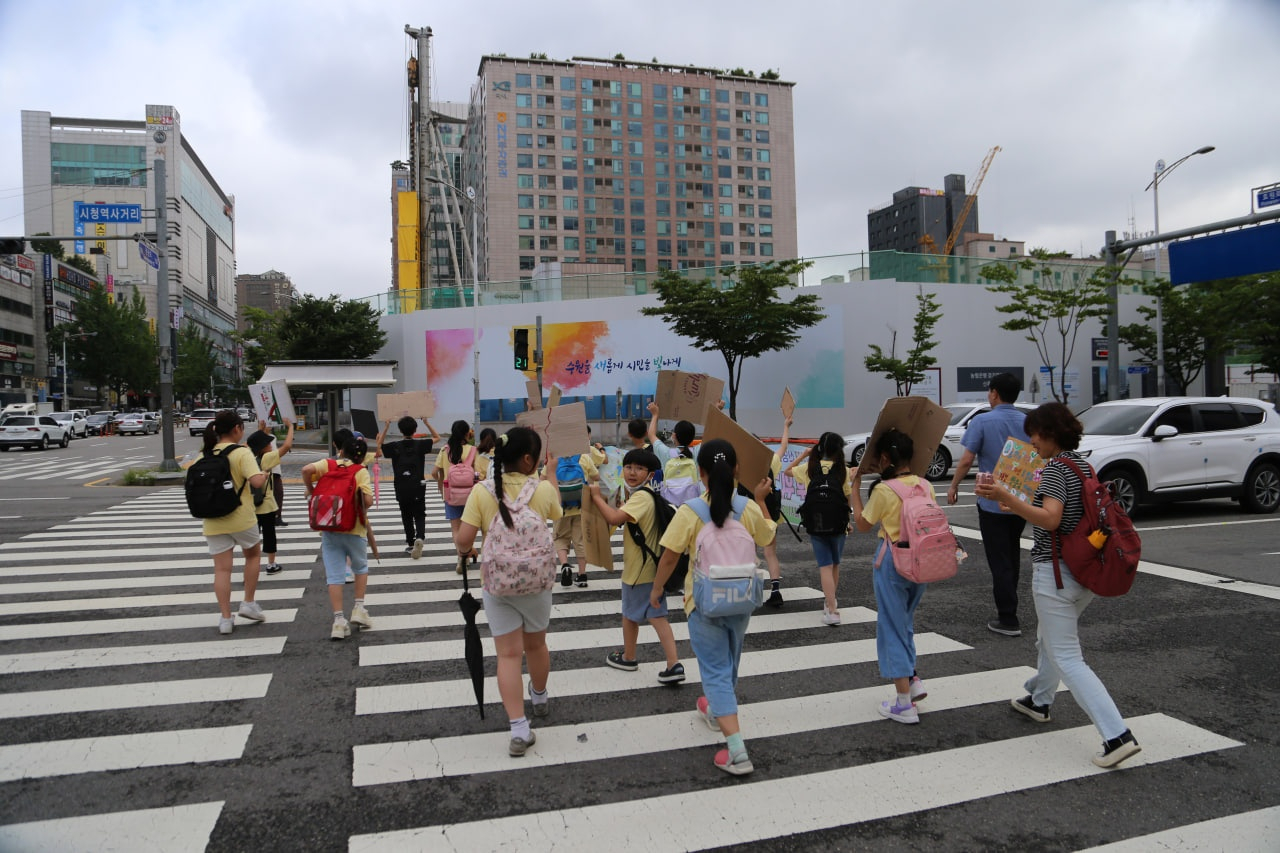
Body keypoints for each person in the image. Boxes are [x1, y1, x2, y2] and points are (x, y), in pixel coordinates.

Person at [975, 402, 1141, 768]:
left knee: (1067, 655)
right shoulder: (1083, 466)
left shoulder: (1052, 470)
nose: (1031, 441)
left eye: (1034, 434)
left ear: (1049, 434)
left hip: (1056, 573)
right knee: (1051, 640)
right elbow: (1064, 514)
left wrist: (1005, 497)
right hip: (1085, 571)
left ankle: (1117, 735)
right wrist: (1014, 503)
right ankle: (1039, 701)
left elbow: (1051, 520)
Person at [650, 438, 775, 776]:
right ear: (736, 470)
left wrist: (658, 589)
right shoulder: (747, 507)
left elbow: (671, 556)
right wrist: (761, 502)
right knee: (730, 660)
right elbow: (766, 539)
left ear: (700, 472)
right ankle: (715, 707)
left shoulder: (690, 511)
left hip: (703, 602)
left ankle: (736, 751)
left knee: (715, 670)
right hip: (742, 599)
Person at [455, 427, 563, 757]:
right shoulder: (542, 489)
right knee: (537, 644)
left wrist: (474, 548)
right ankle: (540, 696)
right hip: (536, 584)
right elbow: (557, 516)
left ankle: (519, 729)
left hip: (499, 585)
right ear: (529, 459)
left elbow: (463, 541)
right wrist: (552, 474)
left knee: (508, 655)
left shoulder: (482, 492)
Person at [851, 428, 932, 724]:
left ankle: (903, 704)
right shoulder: (925, 485)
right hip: (922, 562)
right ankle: (912, 680)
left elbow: (862, 523)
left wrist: (855, 489)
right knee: (904, 623)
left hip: (893, 562)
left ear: (885, 458)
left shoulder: (886, 491)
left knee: (891, 628)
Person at [585, 448, 685, 684]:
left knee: (630, 616)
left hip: (638, 571)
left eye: (639, 469)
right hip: (654, 570)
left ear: (650, 475)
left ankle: (629, 657)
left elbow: (614, 519)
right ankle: (674, 663)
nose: (632, 472)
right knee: (658, 617)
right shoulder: (645, 495)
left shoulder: (641, 497)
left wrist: (597, 497)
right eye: (629, 467)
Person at [947, 373, 1030, 636]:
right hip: (1019, 502)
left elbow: (966, 459)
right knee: (1012, 552)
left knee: (999, 558)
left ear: (994, 393)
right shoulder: (1027, 421)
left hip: (991, 501)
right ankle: (1010, 605)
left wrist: (954, 485)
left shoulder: (982, 421)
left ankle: (1008, 618)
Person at [199, 410, 270, 636]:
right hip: (241, 518)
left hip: (213, 520)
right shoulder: (242, 453)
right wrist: (265, 474)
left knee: (221, 569)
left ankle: (225, 618)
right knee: (252, 555)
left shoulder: (205, 454)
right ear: (237, 429)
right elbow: (256, 482)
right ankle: (248, 602)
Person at [302, 434, 375, 641]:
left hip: (329, 528)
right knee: (360, 568)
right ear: (361, 457)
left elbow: (306, 470)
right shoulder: (360, 471)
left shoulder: (328, 464)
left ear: (342, 450)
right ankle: (359, 608)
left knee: (334, 576)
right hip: (354, 528)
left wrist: (312, 490)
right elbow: (367, 501)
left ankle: (338, 621)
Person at [785, 431, 854, 625]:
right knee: (835, 564)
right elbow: (847, 500)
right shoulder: (843, 470)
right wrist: (848, 522)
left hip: (816, 523)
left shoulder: (810, 468)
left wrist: (805, 455)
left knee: (824, 565)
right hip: (839, 524)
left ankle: (832, 610)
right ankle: (830, 602)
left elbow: (787, 471)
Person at [377, 415, 441, 559]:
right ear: (415, 429)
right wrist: (427, 422)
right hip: (418, 485)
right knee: (419, 514)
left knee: (406, 515)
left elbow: (380, 447)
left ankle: (411, 543)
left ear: (401, 430)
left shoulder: (395, 446)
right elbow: (437, 438)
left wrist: (386, 426)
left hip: (401, 486)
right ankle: (420, 537)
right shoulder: (421, 445)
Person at [247, 419, 294, 575]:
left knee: (253, 538)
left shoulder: (248, 458)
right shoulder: (266, 459)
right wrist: (291, 427)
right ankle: (271, 565)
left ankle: (251, 565)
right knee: (269, 535)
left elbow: (255, 443)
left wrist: (261, 431)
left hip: (250, 506)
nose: (271, 445)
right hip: (265, 505)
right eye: (268, 443)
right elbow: (286, 446)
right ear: (263, 448)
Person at [433, 420, 488, 542]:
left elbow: (434, 472)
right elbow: (479, 474)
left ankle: (461, 557)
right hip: (471, 495)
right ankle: (467, 551)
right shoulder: (474, 450)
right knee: (469, 527)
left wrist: (442, 482)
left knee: (456, 529)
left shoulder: (444, 450)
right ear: (466, 434)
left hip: (451, 495)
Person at [553, 446, 600, 587]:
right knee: (580, 540)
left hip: (561, 508)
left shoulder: (554, 459)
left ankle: (565, 565)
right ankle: (582, 574)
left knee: (560, 537)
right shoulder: (583, 457)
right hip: (581, 506)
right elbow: (596, 476)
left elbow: (543, 478)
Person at [761, 414, 793, 607]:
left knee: (747, 553)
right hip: (770, 513)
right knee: (770, 553)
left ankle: (746, 591)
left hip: (748, 514)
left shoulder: (741, 464)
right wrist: (786, 426)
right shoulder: (771, 460)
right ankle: (775, 591)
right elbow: (784, 447)